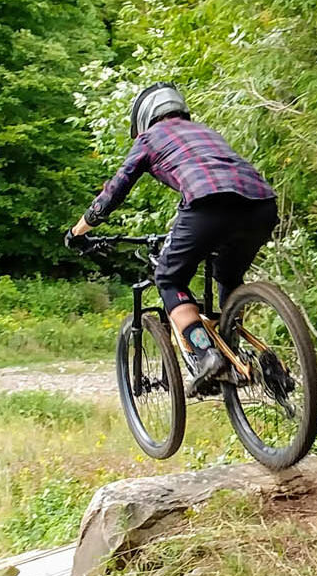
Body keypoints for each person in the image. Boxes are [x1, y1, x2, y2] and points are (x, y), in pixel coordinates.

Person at [67, 83, 278, 385]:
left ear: (144, 117)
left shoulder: (149, 138)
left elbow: (116, 188)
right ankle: (237, 352)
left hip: (207, 203)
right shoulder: (205, 132)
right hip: (261, 205)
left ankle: (207, 355)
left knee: (168, 278)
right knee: (228, 276)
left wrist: (79, 230)